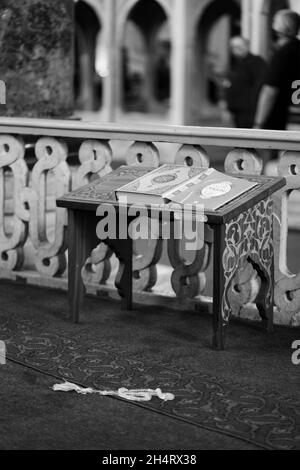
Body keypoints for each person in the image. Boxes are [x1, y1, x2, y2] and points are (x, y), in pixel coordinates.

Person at [253, 9, 300, 130]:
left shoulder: (284, 52)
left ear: (286, 25)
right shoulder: (295, 48)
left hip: (281, 116)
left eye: (275, 21)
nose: (272, 24)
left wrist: (259, 123)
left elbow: (270, 90)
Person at [224, 37, 266, 128]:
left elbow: (260, 86)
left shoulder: (256, 62)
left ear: (247, 46)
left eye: (240, 46)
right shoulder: (236, 65)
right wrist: (229, 108)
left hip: (250, 112)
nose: (237, 49)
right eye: (234, 47)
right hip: (238, 112)